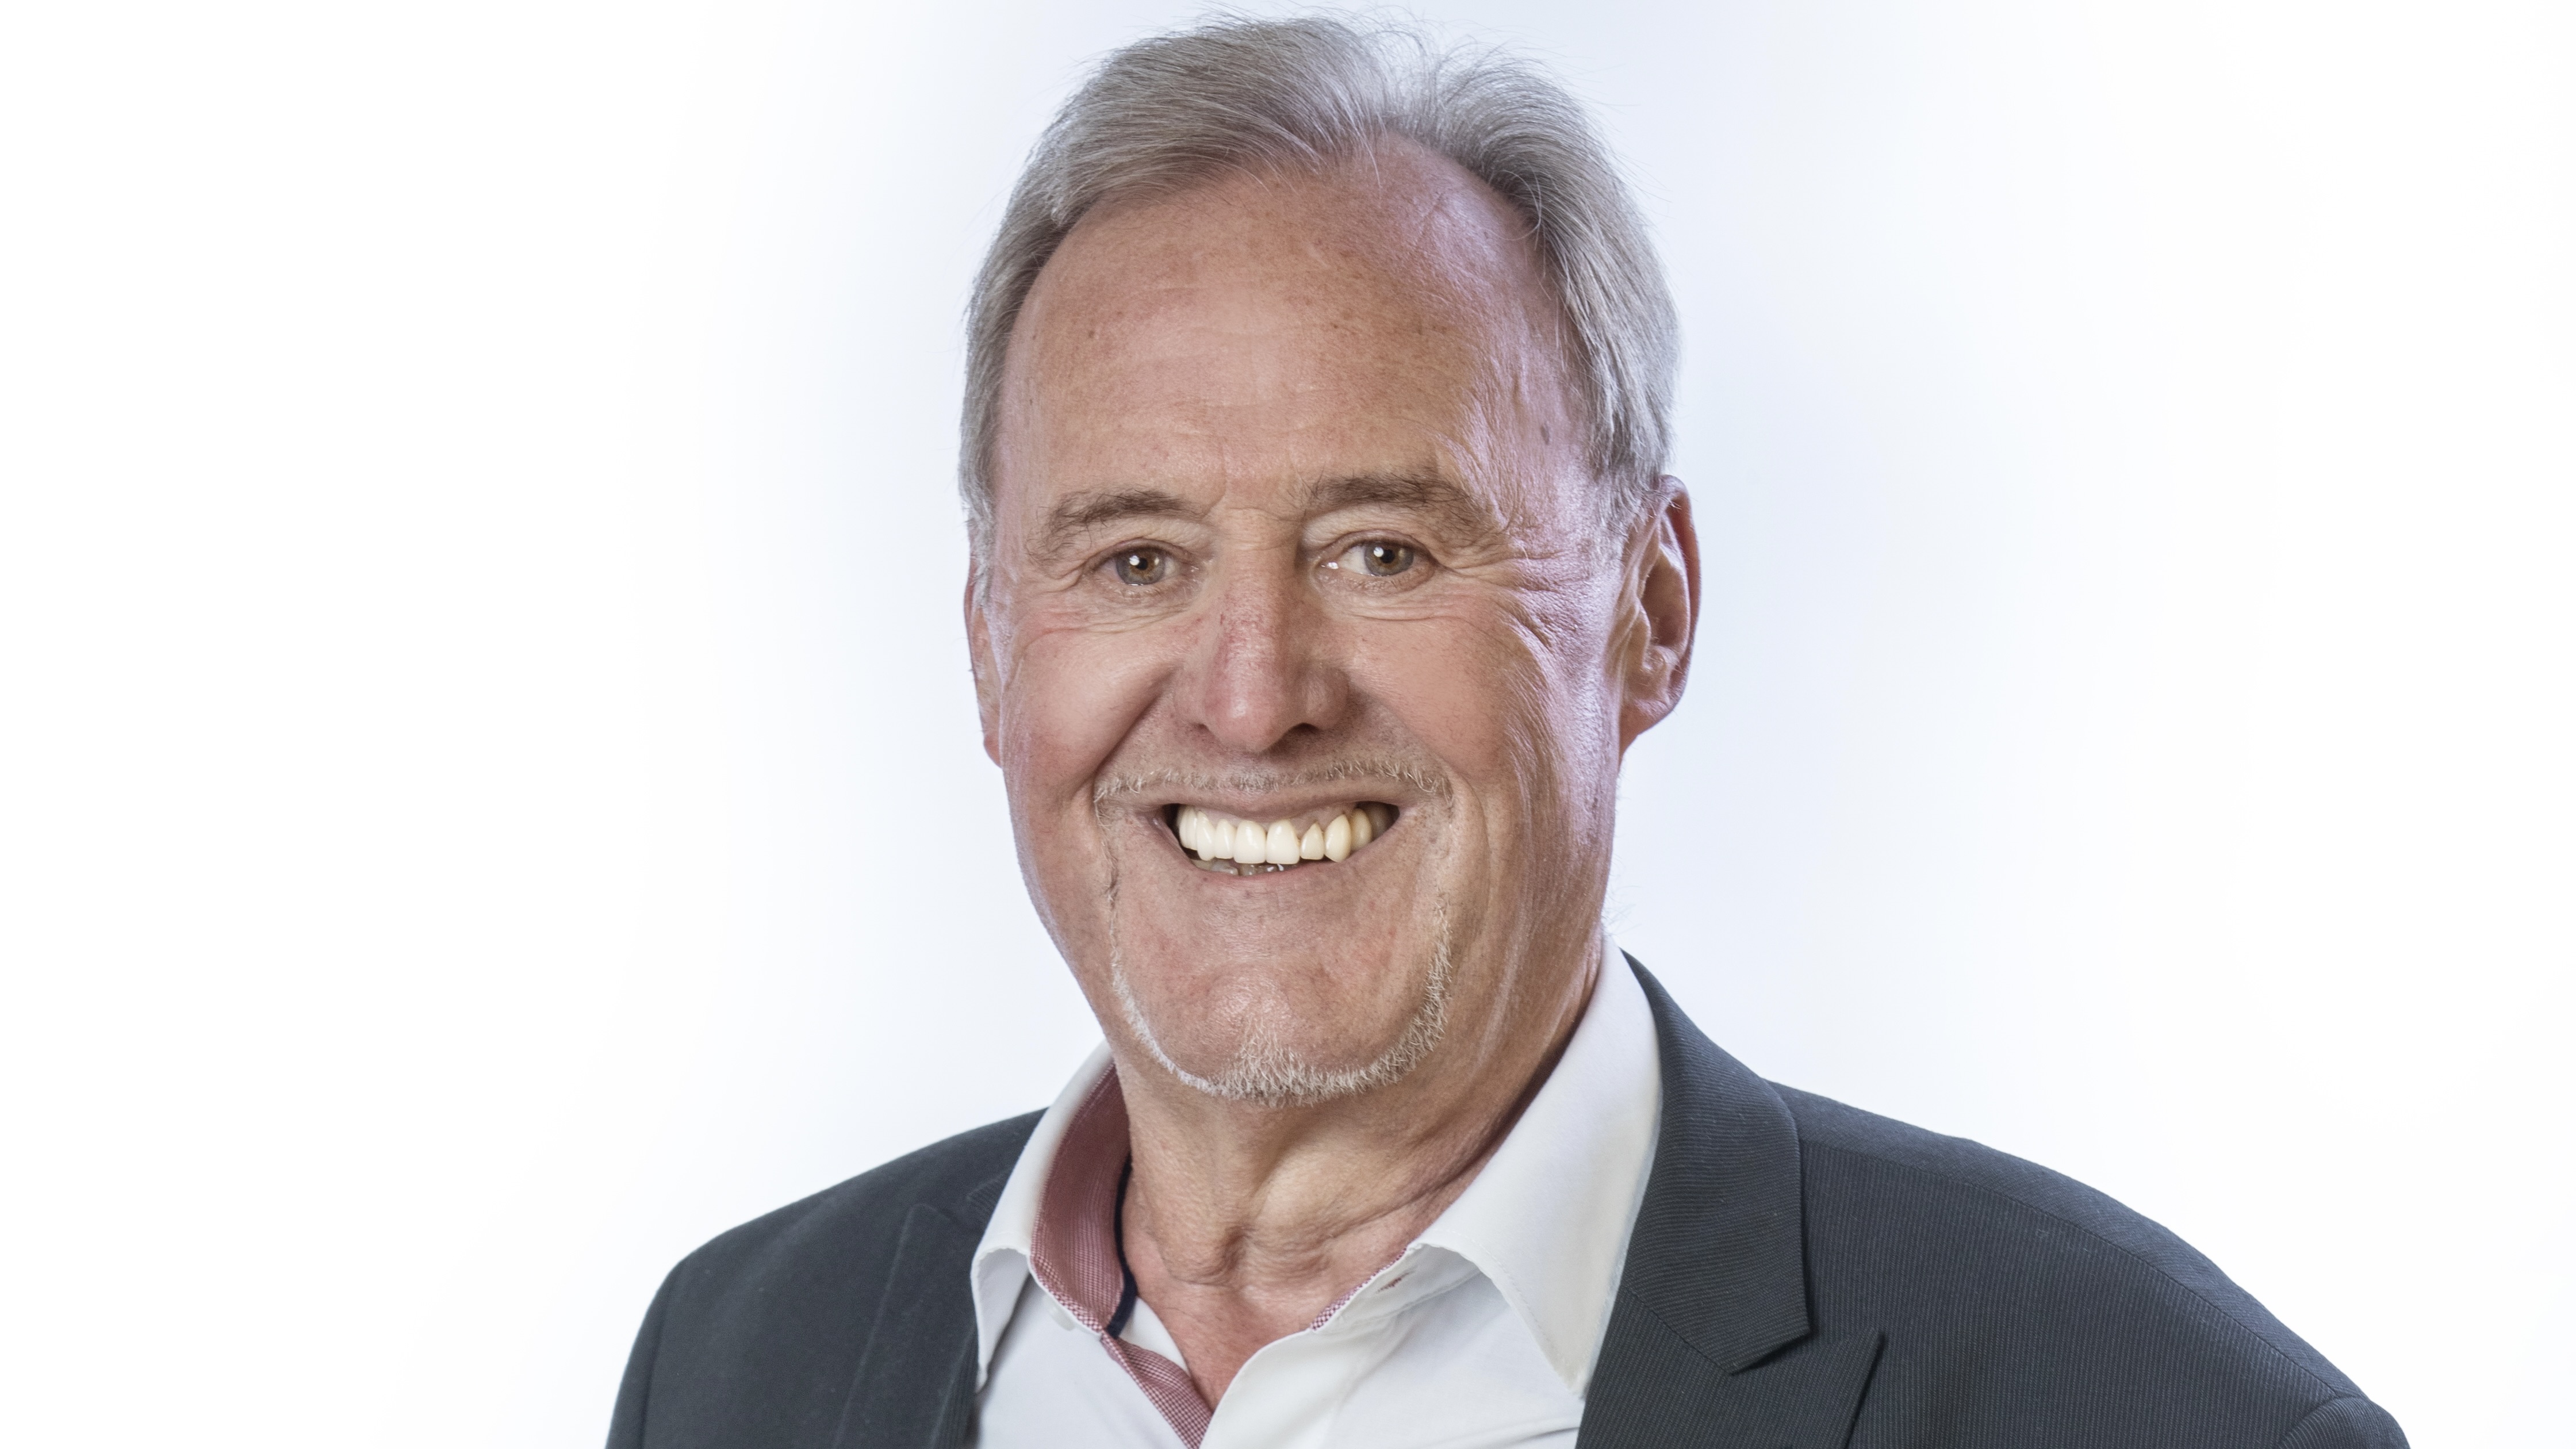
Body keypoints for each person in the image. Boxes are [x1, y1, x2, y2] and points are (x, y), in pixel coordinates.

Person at [605, 16, 2406, 1449]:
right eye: (1136, 559)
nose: (1253, 696)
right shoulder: (744, 1361)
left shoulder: (2148, 1411)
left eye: (1382, 550)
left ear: (1652, 611)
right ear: (991, 649)